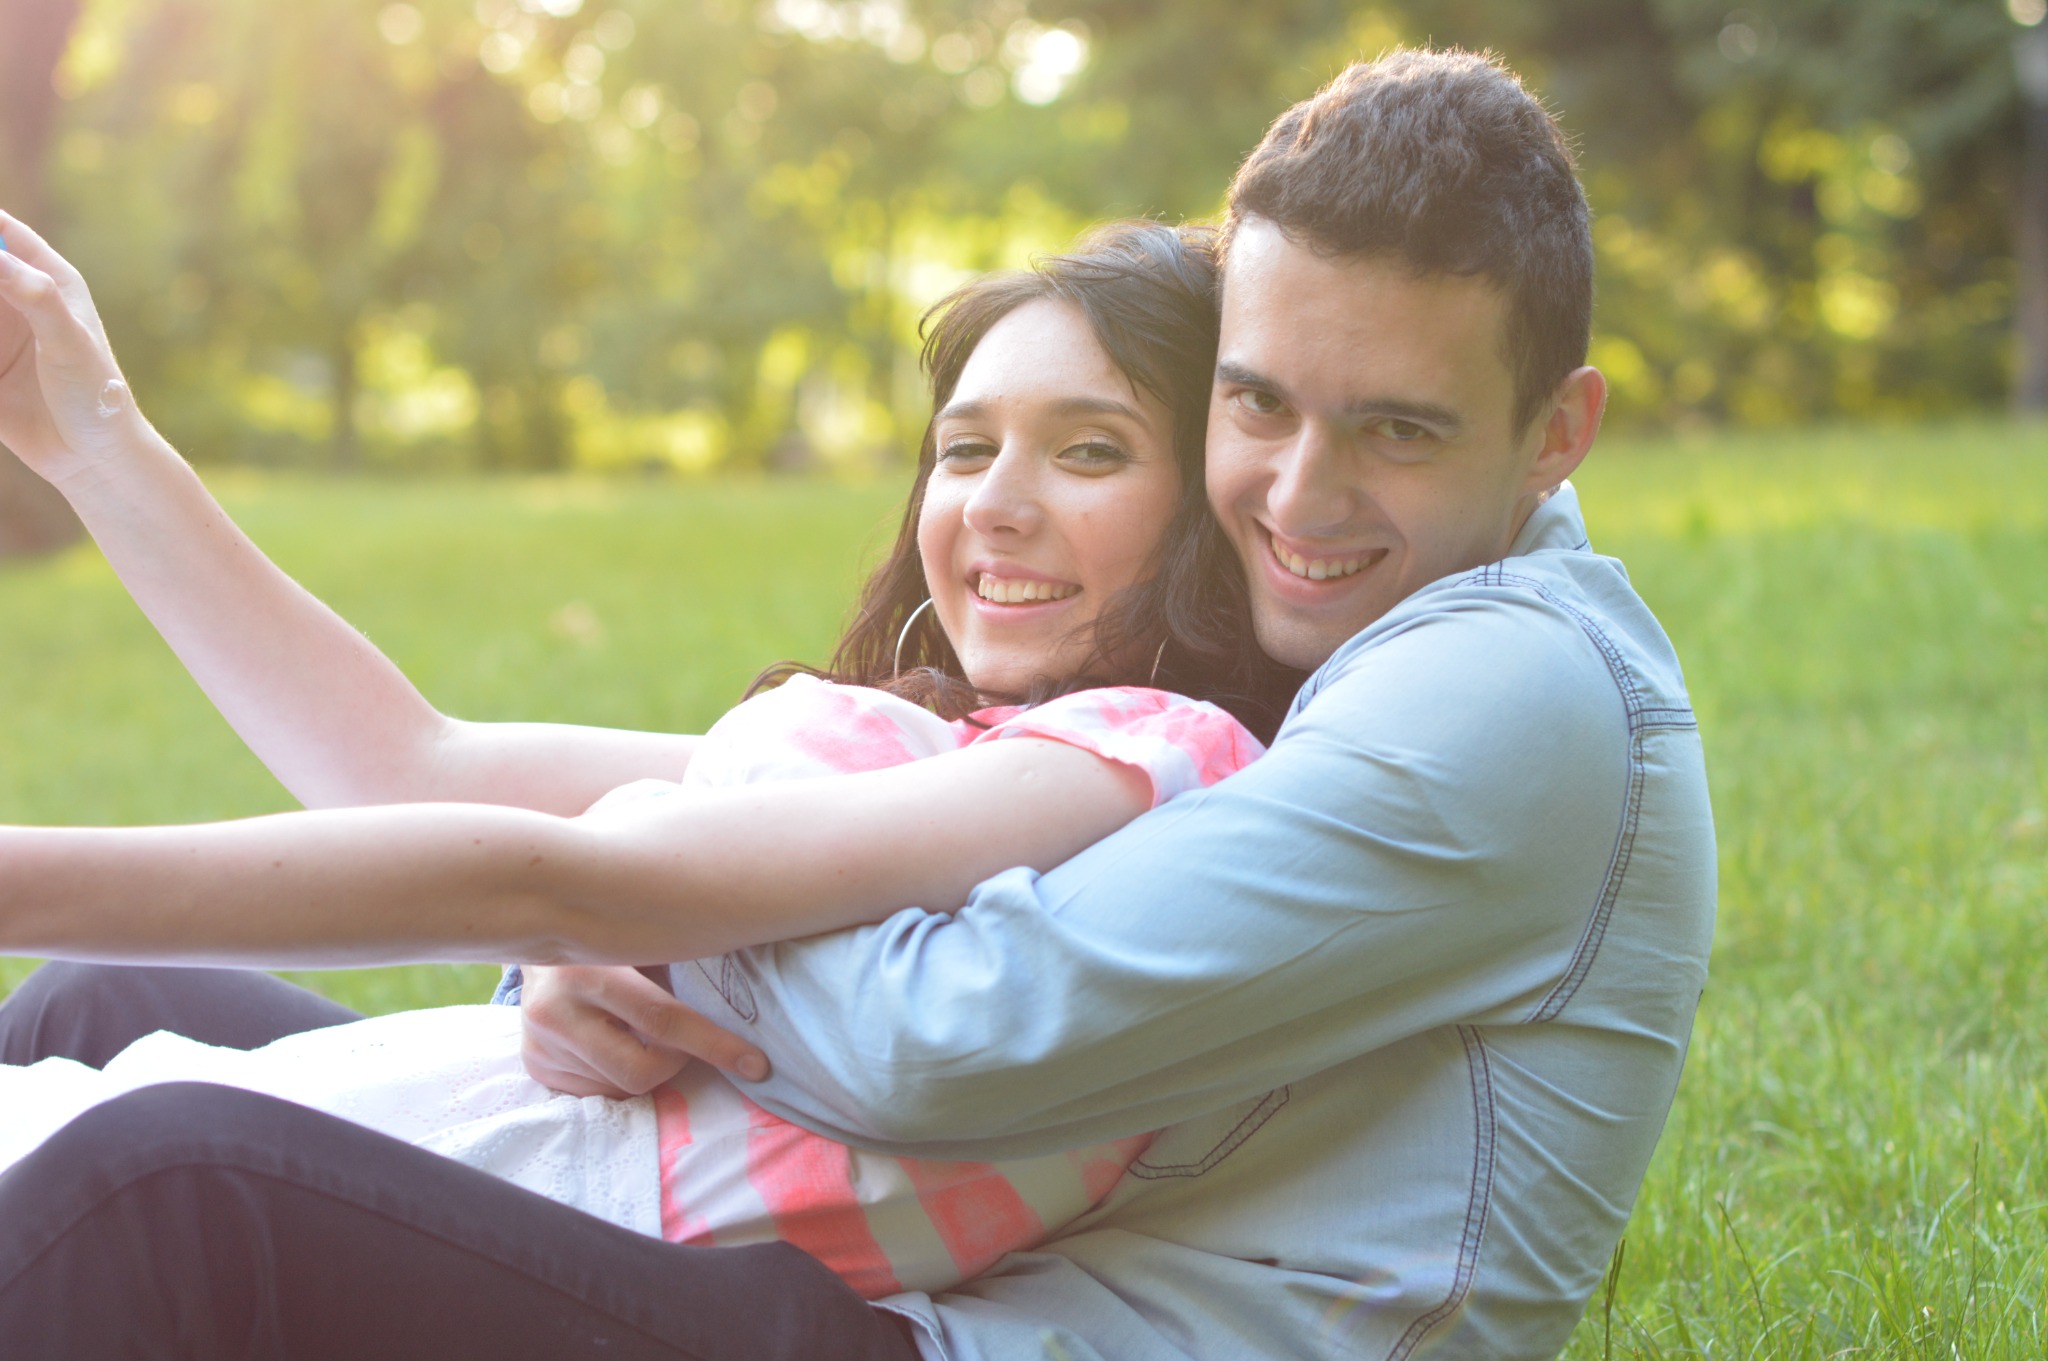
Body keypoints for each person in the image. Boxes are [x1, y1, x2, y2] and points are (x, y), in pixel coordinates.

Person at [0, 47, 1715, 1361]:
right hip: (882, 1265)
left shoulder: (1504, 683)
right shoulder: (1086, 712)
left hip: (985, 1338)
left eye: (1401, 426)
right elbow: (415, 767)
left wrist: (645, 900)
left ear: (1555, 432)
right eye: (1260, 405)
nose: (1299, 492)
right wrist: (93, 439)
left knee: (167, 1186)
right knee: (103, 1002)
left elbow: (933, 1044)